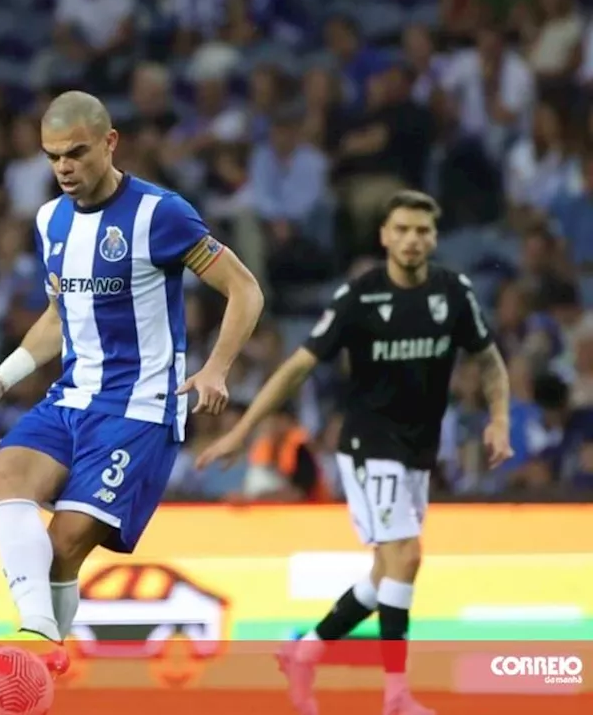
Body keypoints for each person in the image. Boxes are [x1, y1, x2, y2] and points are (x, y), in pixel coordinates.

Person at [0, 91, 264, 671]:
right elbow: (58, 316)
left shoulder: (160, 214)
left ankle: (39, 643)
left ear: (110, 142)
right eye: (53, 157)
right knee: (4, 476)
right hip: (72, 396)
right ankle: (40, 641)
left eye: (76, 153)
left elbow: (245, 289)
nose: (64, 168)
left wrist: (217, 366)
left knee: (65, 545)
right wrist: (2, 379)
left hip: (140, 408)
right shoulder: (50, 220)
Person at [196, 190, 513, 715]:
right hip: (369, 445)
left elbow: (491, 362)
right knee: (406, 557)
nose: (412, 239)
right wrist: (242, 432)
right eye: (402, 230)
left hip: (417, 449)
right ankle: (396, 697)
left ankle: (305, 653)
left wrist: (499, 420)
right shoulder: (359, 298)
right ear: (385, 236)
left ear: (433, 238)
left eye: (422, 231)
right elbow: (296, 367)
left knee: (385, 572)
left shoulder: (453, 292)